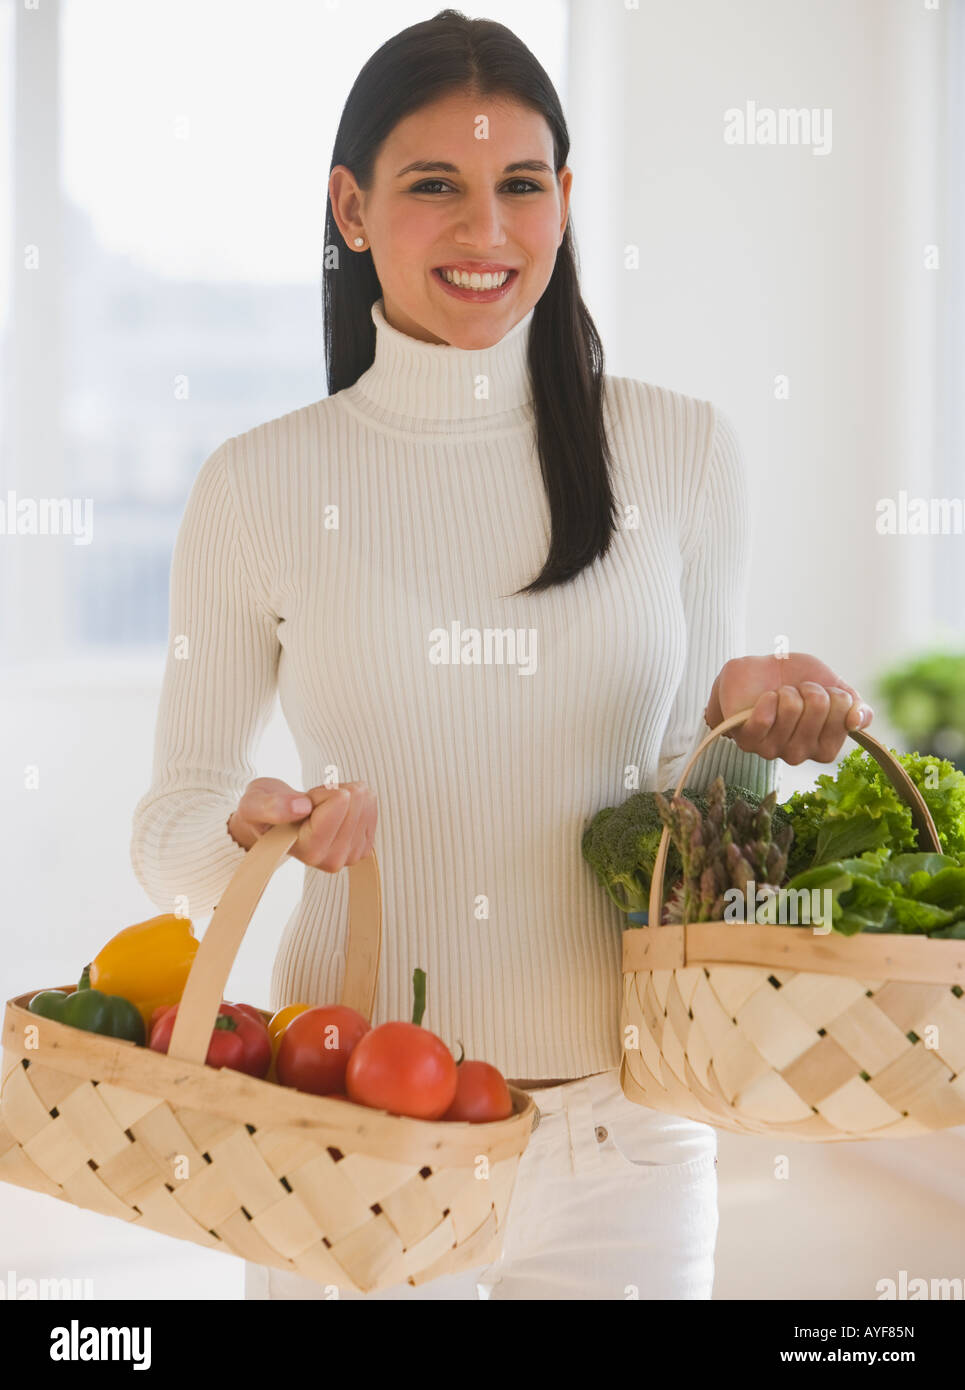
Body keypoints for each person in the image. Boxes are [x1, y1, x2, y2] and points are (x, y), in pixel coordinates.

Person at [130, 8, 872, 1301]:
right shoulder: (257, 484)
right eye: (436, 188)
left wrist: (744, 737)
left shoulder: (680, 451)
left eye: (521, 186)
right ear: (351, 210)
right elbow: (168, 819)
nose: (486, 231)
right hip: (348, 1127)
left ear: (567, 199)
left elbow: (684, 831)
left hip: (624, 1141)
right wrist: (244, 826)